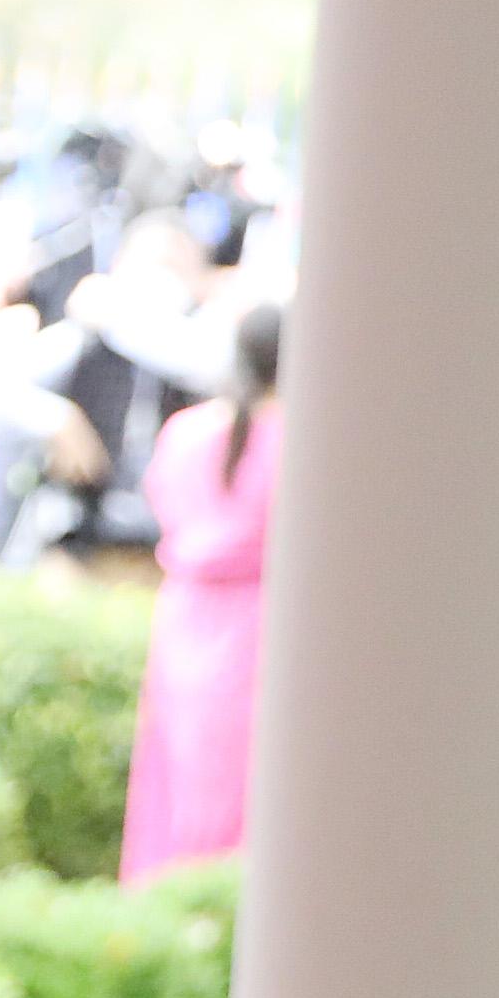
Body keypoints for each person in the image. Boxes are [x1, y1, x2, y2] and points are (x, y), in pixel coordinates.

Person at [122, 299, 286, 879]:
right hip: (263, 620)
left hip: (186, 618)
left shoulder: (187, 432)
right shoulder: (300, 443)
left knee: (179, 774)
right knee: (249, 786)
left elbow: (163, 505)